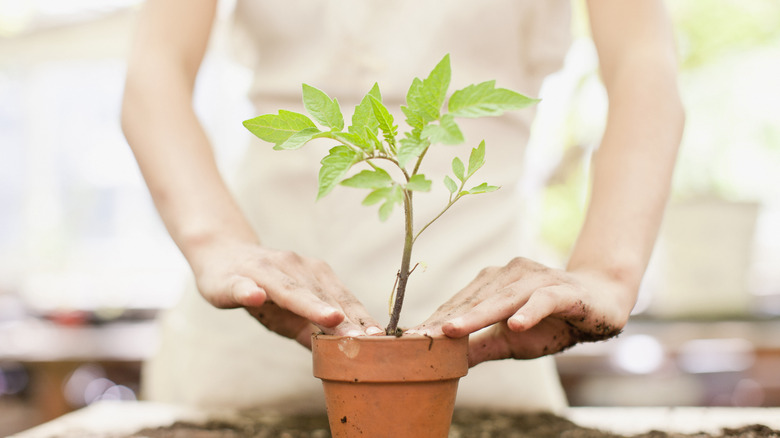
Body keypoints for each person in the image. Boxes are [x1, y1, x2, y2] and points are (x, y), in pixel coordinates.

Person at [121, 0, 684, 412]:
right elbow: (155, 68)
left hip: (486, 346)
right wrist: (219, 245)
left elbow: (644, 63)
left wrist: (607, 271)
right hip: (246, 338)